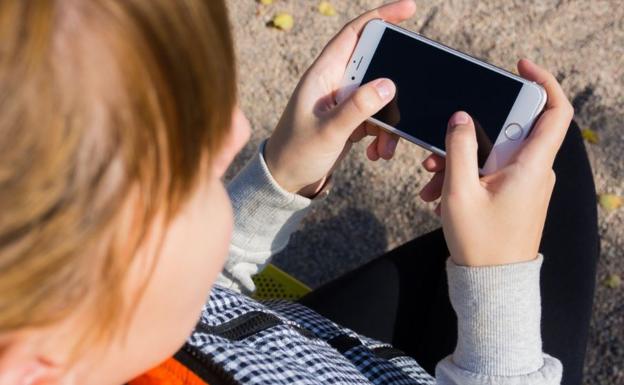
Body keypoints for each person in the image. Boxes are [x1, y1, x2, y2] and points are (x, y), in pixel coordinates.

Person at [0, 1, 598, 385]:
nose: (237, 127)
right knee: (549, 155)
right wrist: (498, 287)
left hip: (300, 347)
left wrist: (279, 178)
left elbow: (188, 300)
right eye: (191, 175)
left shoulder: (97, 326)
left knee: (536, 149)